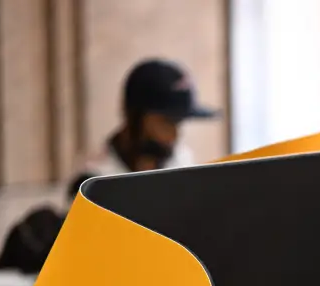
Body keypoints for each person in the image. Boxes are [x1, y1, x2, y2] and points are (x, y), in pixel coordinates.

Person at [70, 58, 216, 190]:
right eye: (167, 121)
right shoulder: (92, 181)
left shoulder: (182, 161)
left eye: (178, 122)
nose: (174, 134)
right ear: (135, 117)